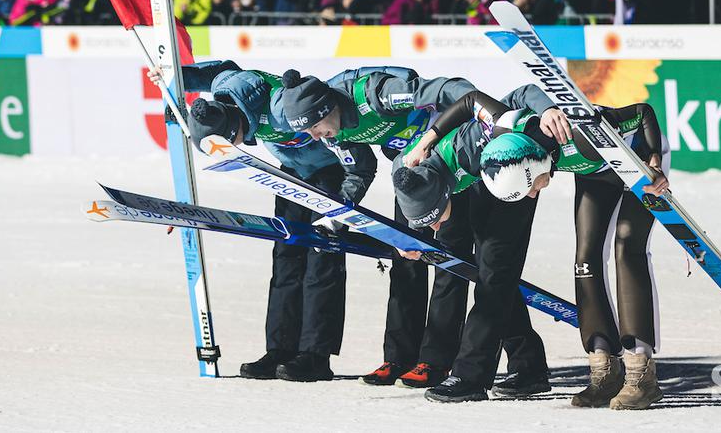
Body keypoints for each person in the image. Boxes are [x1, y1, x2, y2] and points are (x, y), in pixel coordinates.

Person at [421, 89, 670, 409]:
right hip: (594, 170)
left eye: (530, 187)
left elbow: (643, 112)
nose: (531, 197)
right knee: (586, 260)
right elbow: (472, 104)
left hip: (640, 157)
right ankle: (604, 370)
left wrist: (655, 163)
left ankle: (641, 375)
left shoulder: (577, 135)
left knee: (627, 250)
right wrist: (427, 142)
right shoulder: (506, 136)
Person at [152, 61, 376, 383]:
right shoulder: (227, 89)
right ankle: (280, 349)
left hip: (330, 176)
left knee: (321, 262)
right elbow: (221, 69)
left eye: (229, 144)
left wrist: (345, 199)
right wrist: (176, 76)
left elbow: (346, 138)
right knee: (285, 258)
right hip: (290, 174)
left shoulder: (280, 110)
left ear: (235, 126)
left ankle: (315, 355)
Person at [276, 67, 476, 389]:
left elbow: (445, 89)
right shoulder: (333, 133)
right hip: (413, 175)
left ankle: (435, 361)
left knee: (447, 261)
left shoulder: (375, 95)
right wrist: (334, 214)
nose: (313, 136)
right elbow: (359, 172)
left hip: (455, 165)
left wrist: (464, 120)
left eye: (315, 126)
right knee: (406, 258)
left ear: (327, 110)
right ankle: (398, 357)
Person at [391, 87, 572, 403]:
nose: (434, 227)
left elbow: (495, 96)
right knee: (486, 274)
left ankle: (470, 376)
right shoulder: (410, 166)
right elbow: (413, 197)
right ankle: (527, 363)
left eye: (432, 221)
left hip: (514, 175)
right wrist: (414, 236)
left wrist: (547, 109)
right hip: (479, 182)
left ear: (442, 196)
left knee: (494, 275)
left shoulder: (477, 140)